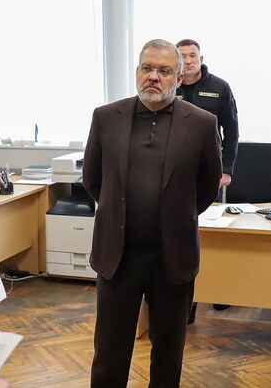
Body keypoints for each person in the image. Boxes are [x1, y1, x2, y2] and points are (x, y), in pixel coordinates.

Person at [83, 39, 222, 387]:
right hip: (118, 257)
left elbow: (207, 187)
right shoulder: (106, 117)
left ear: (179, 77)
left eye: (164, 71)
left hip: (171, 258)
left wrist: (175, 217)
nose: (154, 77)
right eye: (147, 68)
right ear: (137, 72)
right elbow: (93, 178)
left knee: (168, 355)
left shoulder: (202, 123)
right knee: (109, 354)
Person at [176, 39, 239, 318]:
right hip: (177, 172)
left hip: (210, 171)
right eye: (182, 56)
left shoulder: (219, 87)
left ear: (201, 58)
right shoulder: (171, 86)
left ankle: (219, 291)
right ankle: (189, 299)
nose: (188, 60)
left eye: (193, 55)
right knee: (185, 236)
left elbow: (232, 132)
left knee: (214, 236)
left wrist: (227, 170)